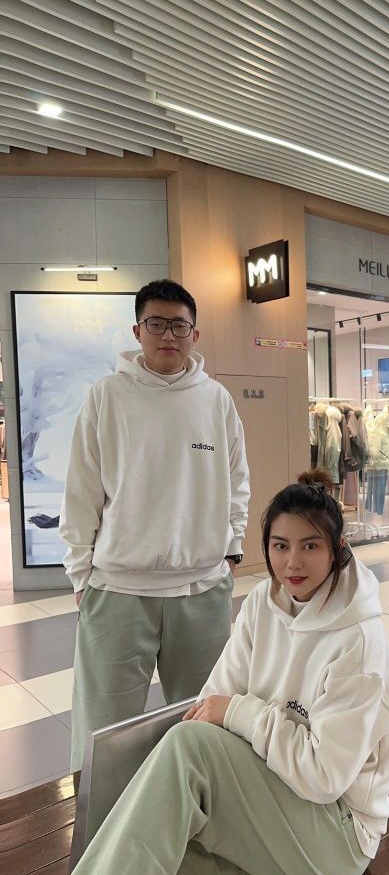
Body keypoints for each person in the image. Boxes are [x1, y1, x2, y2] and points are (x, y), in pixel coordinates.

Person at [25, 471, 389, 875]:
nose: (292, 562)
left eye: (310, 545)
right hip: (272, 801)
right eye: (280, 545)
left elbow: (322, 776)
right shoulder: (264, 605)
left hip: (336, 838)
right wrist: (232, 716)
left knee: (188, 751)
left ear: (338, 548)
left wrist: (240, 712)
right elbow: (214, 700)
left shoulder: (359, 644)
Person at [60, 278, 250, 773]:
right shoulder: (106, 397)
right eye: (156, 324)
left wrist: (232, 548)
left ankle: (195, 811)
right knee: (105, 728)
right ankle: (105, 818)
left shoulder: (216, 400)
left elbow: (237, 481)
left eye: (179, 326)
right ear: (137, 331)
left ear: (195, 334)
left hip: (202, 588)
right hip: (118, 590)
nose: (168, 335)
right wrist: (81, 574)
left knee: (203, 722)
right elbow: (81, 491)